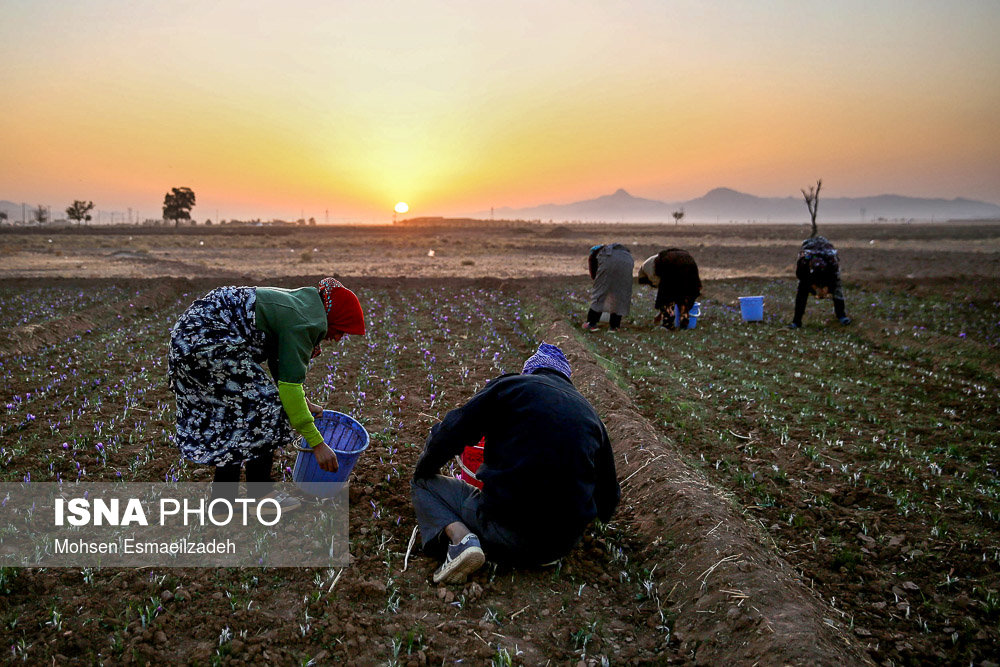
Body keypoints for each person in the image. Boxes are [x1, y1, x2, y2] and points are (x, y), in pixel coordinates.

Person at [410, 343, 620, 584]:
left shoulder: (512, 387)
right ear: (565, 378)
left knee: (423, 484)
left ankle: (462, 541)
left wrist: (426, 469)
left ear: (529, 371)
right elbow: (608, 503)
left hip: (503, 533)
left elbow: (451, 432)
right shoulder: (592, 418)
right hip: (558, 548)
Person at [168, 277, 366, 512]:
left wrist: (304, 402)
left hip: (193, 339)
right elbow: (288, 388)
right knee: (267, 409)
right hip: (209, 343)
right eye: (341, 330)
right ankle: (261, 496)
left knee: (237, 416)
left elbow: (280, 367)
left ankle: (222, 500)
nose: (338, 338)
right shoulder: (306, 322)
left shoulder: (302, 306)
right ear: (335, 318)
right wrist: (317, 443)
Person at [789, 236, 851, 328]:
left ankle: (841, 316)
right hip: (809, 251)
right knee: (802, 291)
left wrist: (827, 288)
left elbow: (835, 278)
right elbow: (801, 277)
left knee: (837, 291)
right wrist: (814, 287)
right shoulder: (804, 261)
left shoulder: (831, 263)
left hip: (826, 255)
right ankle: (796, 321)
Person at [638, 248, 701, 329]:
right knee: (686, 294)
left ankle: (668, 324)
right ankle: (684, 317)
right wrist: (660, 314)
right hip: (688, 262)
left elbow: (664, 290)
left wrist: (662, 310)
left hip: (670, 264)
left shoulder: (647, 268)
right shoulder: (651, 262)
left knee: (667, 296)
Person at [583, 243, 634, 331]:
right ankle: (614, 326)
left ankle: (591, 323)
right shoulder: (620, 251)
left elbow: (594, 274)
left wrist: (599, 283)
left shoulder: (594, 254)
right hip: (628, 261)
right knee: (621, 293)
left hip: (609, 260)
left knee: (600, 291)